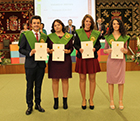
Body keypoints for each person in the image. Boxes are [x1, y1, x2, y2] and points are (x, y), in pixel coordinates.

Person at [19, 15, 47, 115]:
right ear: (31, 25)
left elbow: (45, 49)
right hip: (30, 65)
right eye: (34, 23)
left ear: (40, 24)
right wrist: (29, 53)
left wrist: (47, 50)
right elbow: (21, 49)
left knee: (39, 86)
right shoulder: (26, 35)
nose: (36, 25)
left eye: (38, 23)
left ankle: (38, 104)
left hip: (41, 65)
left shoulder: (43, 36)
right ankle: (29, 106)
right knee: (30, 86)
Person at [74, 14, 101, 110]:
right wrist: (79, 49)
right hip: (82, 58)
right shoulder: (78, 32)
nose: (88, 23)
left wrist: (95, 48)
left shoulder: (95, 33)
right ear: (83, 22)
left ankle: (91, 99)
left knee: (92, 78)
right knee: (82, 78)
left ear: (92, 23)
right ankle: (83, 99)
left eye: (90, 21)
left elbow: (98, 45)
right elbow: (75, 44)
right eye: (86, 21)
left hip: (92, 58)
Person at [104, 18, 130, 110]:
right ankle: (111, 100)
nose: (115, 25)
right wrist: (108, 50)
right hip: (111, 61)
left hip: (120, 61)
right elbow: (105, 50)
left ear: (120, 25)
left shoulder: (124, 37)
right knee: (110, 81)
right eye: (114, 24)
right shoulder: (108, 37)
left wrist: (124, 50)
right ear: (111, 25)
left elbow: (126, 50)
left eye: (117, 24)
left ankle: (120, 100)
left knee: (121, 81)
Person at [47, 19, 73, 110]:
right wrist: (49, 51)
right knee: (55, 80)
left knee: (65, 80)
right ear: (53, 27)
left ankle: (65, 100)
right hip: (54, 61)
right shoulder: (50, 37)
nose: (57, 27)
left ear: (62, 25)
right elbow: (47, 48)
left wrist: (69, 51)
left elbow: (71, 48)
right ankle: (56, 100)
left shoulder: (68, 36)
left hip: (65, 60)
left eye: (58, 25)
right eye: (55, 25)